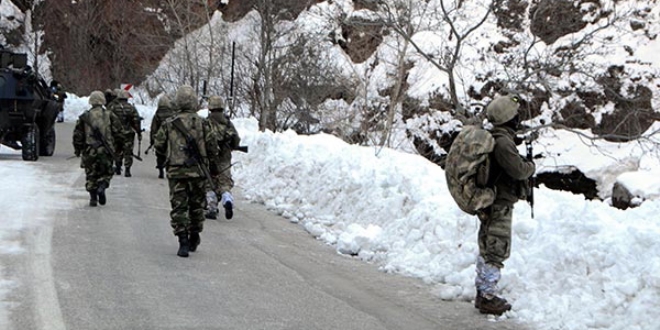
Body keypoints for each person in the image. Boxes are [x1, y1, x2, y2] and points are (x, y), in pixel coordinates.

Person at [474, 95, 536, 315]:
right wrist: (531, 167)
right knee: (497, 248)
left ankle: (483, 291)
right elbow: (518, 170)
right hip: (500, 203)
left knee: (488, 244)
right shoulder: (503, 142)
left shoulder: (496, 137)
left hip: (491, 200)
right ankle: (488, 297)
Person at [153, 85, 220, 258]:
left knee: (179, 206)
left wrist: (166, 157)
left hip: (176, 172)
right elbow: (213, 147)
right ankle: (194, 235)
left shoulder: (169, 124)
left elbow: (158, 144)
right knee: (196, 205)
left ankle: (182, 241)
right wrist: (212, 165)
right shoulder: (203, 123)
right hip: (198, 172)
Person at [72, 91, 124, 207]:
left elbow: (78, 135)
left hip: (89, 150)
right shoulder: (110, 115)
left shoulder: (85, 116)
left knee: (91, 175)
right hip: (106, 150)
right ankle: (102, 186)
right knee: (106, 172)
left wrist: (78, 149)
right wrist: (119, 148)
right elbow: (119, 133)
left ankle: (93, 198)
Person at [204, 95, 241, 220]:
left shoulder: (206, 122)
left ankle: (212, 208)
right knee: (225, 183)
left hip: (209, 159)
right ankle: (227, 199)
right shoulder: (227, 123)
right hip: (224, 159)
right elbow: (236, 141)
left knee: (209, 183)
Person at [109, 89, 142, 177]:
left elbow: (108, 119)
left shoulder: (113, 107)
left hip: (116, 133)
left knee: (117, 150)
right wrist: (138, 132)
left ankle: (118, 167)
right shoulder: (131, 108)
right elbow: (136, 120)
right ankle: (127, 170)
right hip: (128, 134)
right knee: (128, 151)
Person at [149, 95, 175, 179]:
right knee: (170, 154)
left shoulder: (157, 115)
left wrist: (152, 140)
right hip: (170, 137)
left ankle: (160, 169)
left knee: (160, 154)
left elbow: (153, 128)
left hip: (160, 137)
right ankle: (168, 170)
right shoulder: (173, 114)